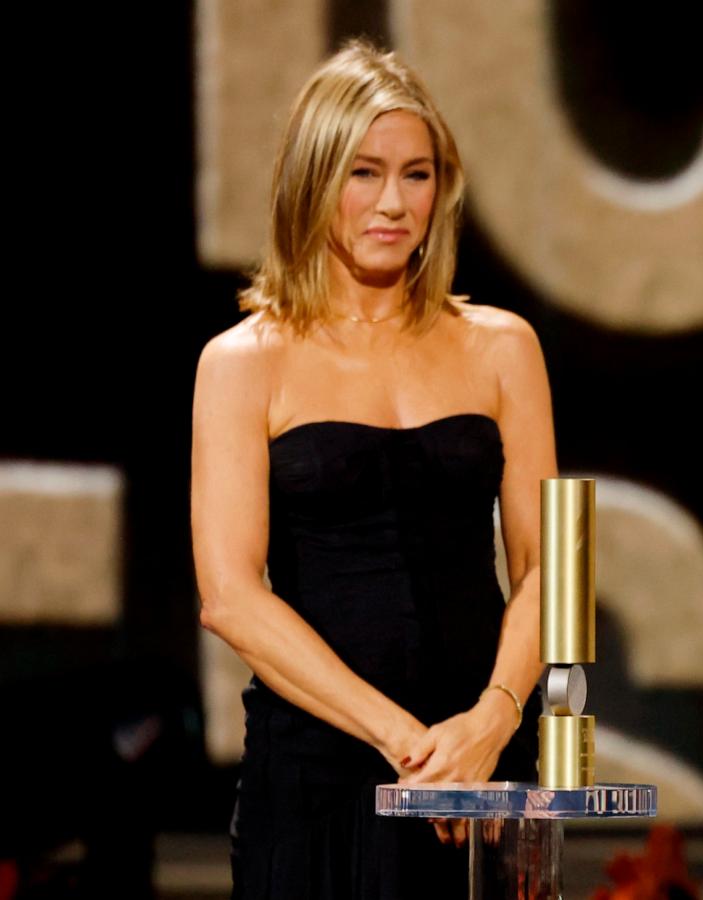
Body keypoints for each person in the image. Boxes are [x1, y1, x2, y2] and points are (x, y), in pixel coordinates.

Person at [191, 40, 556, 899]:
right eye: (364, 173)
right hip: (323, 776)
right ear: (313, 181)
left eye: (418, 174)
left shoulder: (503, 348)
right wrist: (411, 745)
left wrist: (489, 722)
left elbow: (547, 568)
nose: (394, 203)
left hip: (486, 765)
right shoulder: (244, 362)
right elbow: (230, 596)